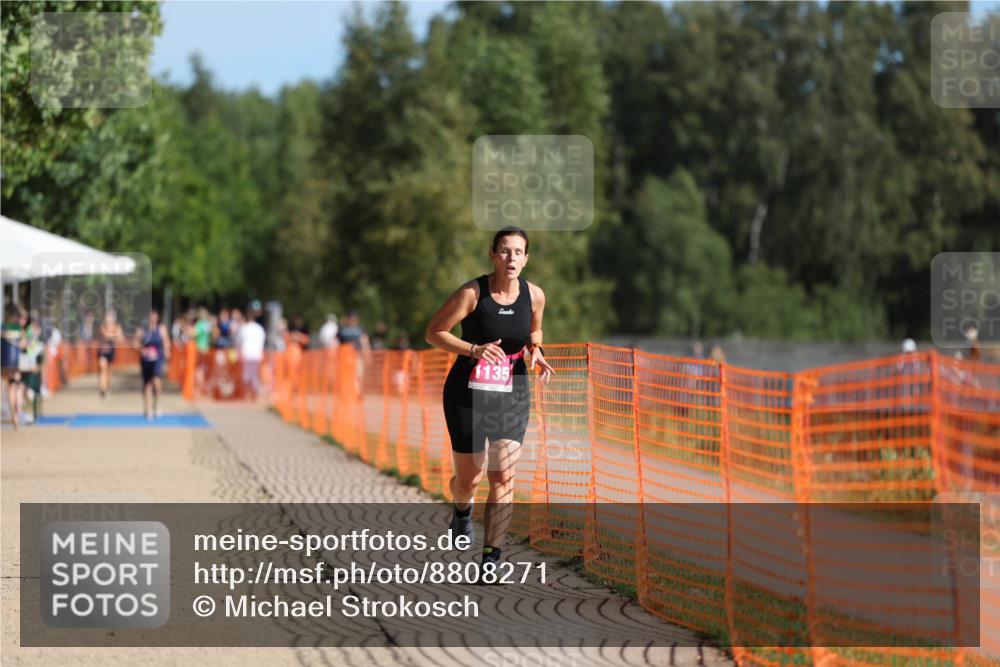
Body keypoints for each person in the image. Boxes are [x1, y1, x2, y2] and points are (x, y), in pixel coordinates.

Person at [424, 226, 555, 575]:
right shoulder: (472, 293)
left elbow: (535, 329)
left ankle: (491, 558)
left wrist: (536, 349)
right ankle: (462, 512)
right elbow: (434, 331)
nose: (511, 258)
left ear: (526, 259)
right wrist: (474, 349)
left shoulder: (535, 295)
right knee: (470, 477)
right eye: (505, 251)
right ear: (493, 254)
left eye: (518, 252)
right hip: (467, 390)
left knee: (503, 476)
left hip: (512, 390)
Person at [134, 310, 170, 419]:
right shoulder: (142, 330)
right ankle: (148, 408)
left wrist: (167, 350)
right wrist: (142, 350)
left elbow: (166, 341)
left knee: (157, 381)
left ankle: (158, 403)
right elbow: (135, 344)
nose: (153, 318)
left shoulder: (162, 329)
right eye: (151, 316)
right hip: (146, 360)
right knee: (147, 384)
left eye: (155, 316)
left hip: (158, 358)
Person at [2, 305, 27, 430]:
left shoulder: (3, 326)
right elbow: (24, 345)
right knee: (12, 388)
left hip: (4, 364)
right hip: (13, 364)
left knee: (5, 389)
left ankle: (15, 417)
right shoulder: (18, 329)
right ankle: (15, 417)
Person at [238, 307, 267, 402]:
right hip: (256, 355)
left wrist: (239, 353)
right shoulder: (259, 329)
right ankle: (254, 394)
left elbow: (239, 342)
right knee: (254, 374)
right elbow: (262, 342)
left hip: (247, 354)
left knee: (246, 374)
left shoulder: (244, 329)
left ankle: (246, 394)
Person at [97, 310, 124, 398]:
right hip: (102, 351)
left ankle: (108, 387)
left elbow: (121, 338)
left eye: (110, 316)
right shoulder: (103, 326)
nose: (109, 318)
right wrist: (114, 335)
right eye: (107, 316)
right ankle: (102, 388)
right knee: (102, 368)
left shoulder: (117, 326)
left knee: (109, 372)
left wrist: (115, 335)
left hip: (111, 351)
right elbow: (105, 335)